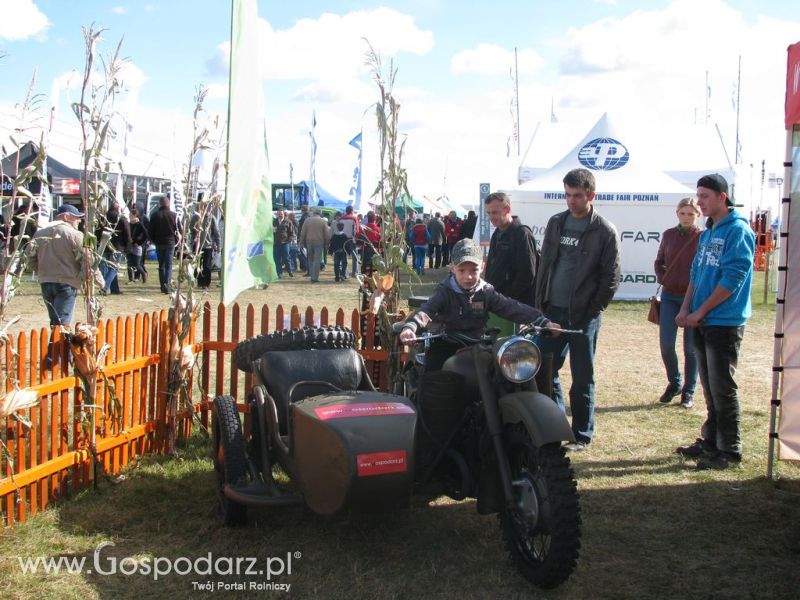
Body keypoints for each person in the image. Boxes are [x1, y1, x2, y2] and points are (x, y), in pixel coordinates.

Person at [534, 168, 620, 451]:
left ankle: (582, 434)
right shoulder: (556, 222)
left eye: (577, 195)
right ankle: (557, 426)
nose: (571, 200)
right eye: (568, 195)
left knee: (582, 376)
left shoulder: (604, 231)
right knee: (545, 369)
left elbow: (611, 278)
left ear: (591, 195)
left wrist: (592, 310)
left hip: (583, 316)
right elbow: (545, 264)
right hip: (552, 312)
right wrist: (541, 303)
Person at [676, 174, 755, 470]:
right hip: (701, 320)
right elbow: (696, 274)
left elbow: (734, 277)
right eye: (698, 196)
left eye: (705, 196)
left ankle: (730, 449)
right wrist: (686, 309)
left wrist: (701, 311)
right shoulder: (707, 232)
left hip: (724, 321)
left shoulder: (738, 231)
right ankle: (711, 440)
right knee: (709, 386)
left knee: (723, 386)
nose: (700, 202)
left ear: (722, 197)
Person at [399, 238, 560, 371]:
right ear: (452, 268)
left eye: (473, 270)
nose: (468, 277)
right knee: (435, 382)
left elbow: (510, 307)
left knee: (504, 375)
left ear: (482, 267)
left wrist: (541, 320)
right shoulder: (444, 291)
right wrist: (410, 327)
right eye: (462, 270)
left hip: (477, 344)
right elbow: (426, 311)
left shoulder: (486, 291)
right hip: (446, 342)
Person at [653, 197, 702, 408]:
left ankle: (688, 391)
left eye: (691, 214)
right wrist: (664, 278)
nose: (686, 217)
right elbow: (659, 261)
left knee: (691, 349)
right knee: (666, 344)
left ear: (698, 215)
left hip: (694, 299)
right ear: (677, 213)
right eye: (683, 213)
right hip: (670, 296)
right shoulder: (668, 235)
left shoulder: (703, 236)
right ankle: (675, 383)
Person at [27, 204, 85, 353]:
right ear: (66, 217)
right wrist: (98, 280)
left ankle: (60, 354)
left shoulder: (40, 233)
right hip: (67, 282)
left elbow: (29, 256)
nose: (78, 221)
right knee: (61, 323)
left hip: (46, 281)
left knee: (55, 322)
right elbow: (87, 259)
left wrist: (40, 270)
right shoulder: (74, 234)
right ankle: (55, 356)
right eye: (76, 218)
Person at [484, 192, 539, 305]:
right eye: (488, 213)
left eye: (494, 212)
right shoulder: (497, 233)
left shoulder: (522, 234)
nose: (490, 217)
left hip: (516, 304)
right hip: (498, 300)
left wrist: (506, 299)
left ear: (507, 209)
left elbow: (527, 275)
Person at [97, 200, 130, 295]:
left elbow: (98, 232)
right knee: (114, 268)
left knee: (110, 268)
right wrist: (128, 246)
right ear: (118, 208)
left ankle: (115, 289)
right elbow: (127, 233)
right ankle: (105, 287)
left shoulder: (103, 219)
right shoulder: (121, 219)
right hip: (117, 247)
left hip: (105, 245)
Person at [148, 194, 179, 294]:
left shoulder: (155, 216)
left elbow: (150, 231)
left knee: (161, 265)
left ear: (159, 204)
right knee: (168, 265)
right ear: (168, 204)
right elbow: (179, 230)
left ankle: (163, 286)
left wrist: (153, 240)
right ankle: (168, 285)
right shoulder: (174, 216)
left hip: (159, 243)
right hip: (170, 242)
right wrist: (177, 240)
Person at [191, 208, 220, 289]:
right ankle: (200, 282)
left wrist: (218, 245)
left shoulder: (211, 218)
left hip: (208, 246)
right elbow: (191, 230)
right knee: (197, 266)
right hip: (197, 246)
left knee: (207, 266)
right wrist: (192, 242)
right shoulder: (195, 218)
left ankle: (206, 283)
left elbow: (216, 233)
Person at [299, 208, 330, 283]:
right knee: (317, 260)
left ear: (314, 213)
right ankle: (315, 278)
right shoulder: (323, 221)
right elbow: (326, 234)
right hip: (319, 242)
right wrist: (327, 243)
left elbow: (303, 232)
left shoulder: (307, 220)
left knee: (310, 259)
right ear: (320, 213)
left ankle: (311, 275)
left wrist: (301, 242)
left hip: (309, 242)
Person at [336, 205, 361, 278]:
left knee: (343, 256)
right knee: (354, 256)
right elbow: (357, 230)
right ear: (352, 211)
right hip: (351, 239)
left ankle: (344, 272)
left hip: (342, 238)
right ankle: (355, 272)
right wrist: (356, 238)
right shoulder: (354, 218)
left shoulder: (340, 219)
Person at [127, 208, 149, 284]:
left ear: (135, 215)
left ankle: (144, 274)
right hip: (130, 245)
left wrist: (139, 242)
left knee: (137, 264)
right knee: (129, 263)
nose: (129, 216)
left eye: (130, 215)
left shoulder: (139, 224)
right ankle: (131, 279)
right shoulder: (129, 224)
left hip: (137, 246)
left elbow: (146, 234)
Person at [274, 210, 295, 278]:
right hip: (276, 244)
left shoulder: (288, 222)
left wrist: (289, 240)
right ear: (277, 214)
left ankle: (290, 271)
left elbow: (292, 233)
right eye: (279, 214)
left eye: (281, 214)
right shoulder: (274, 222)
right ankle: (279, 273)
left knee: (286, 258)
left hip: (285, 243)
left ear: (284, 214)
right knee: (277, 259)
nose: (280, 215)